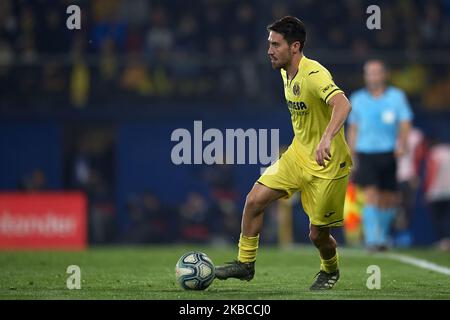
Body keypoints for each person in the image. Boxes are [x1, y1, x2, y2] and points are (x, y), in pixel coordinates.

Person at [215, 16, 353, 290]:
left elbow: (343, 103)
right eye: (269, 44)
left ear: (295, 47)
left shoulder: (314, 75)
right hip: (297, 155)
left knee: (317, 235)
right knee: (254, 199)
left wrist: (327, 138)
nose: (269, 50)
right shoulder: (283, 71)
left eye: (275, 44)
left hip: (327, 164)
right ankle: (245, 264)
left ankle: (330, 269)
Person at [347, 60, 413, 251]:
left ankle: (382, 237)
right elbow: (353, 127)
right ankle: (371, 240)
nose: (373, 76)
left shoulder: (396, 97)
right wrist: (351, 151)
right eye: (369, 73)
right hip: (366, 151)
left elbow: (405, 121)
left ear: (384, 75)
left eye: (376, 72)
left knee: (389, 198)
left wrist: (403, 143)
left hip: (388, 151)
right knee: (370, 194)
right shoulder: (358, 98)